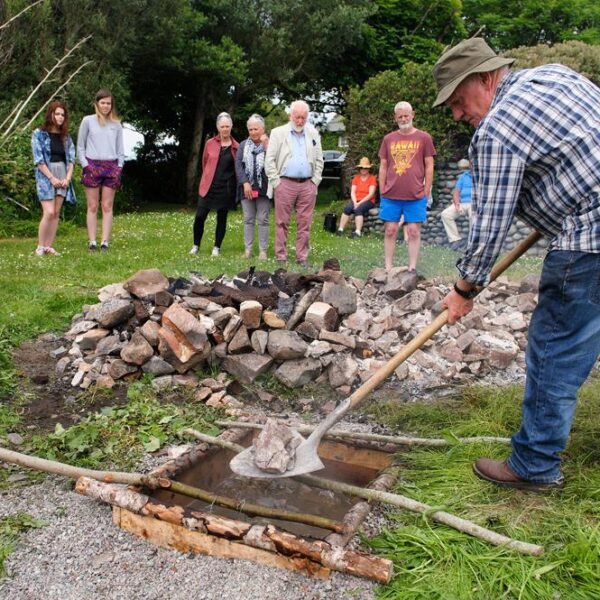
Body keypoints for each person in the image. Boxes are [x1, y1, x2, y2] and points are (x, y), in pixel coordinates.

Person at [433, 37, 600, 491]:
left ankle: (534, 465)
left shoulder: (496, 130)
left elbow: (489, 225)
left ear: (486, 78)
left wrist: (464, 289)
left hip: (589, 239)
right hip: (589, 223)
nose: (456, 113)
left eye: (458, 99)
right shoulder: (555, 74)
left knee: (554, 351)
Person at [264, 100, 324, 267]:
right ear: (290, 115)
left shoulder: (313, 133)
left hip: (307, 184)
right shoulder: (278, 133)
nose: (299, 121)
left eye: (303, 118)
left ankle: (302, 257)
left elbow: (320, 159)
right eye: (297, 117)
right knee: (282, 222)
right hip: (285, 183)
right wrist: (276, 182)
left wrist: (315, 181)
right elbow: (269, 160)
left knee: (304, 222)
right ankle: (281, 257)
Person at [378, 101, 435, 272]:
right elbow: (383, 165)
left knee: (413, 231)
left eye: (406, 115)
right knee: (390, 230)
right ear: (395, 118)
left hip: (416, 194)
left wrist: (427, 189)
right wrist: (382, 189)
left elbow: (429, 165)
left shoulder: (424, 138)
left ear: (413, 115)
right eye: (400, 116)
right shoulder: (388, 139)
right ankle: (388, 267)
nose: (403, 119)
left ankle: (412, 267)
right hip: (391, 194)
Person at [77, 89, 124, 251]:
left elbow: (120, 150)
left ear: (112, 105)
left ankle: (105, 242)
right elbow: (80, 146)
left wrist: (119, 167)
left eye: (108, 103)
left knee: (107, 205)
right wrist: (86, 166)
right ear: (97, 104)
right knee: (92, 206)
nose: (105, 106)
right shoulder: (87, 121)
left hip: (111, 166)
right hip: (92, 165)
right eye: (102, 102)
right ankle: (92, 242)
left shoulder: (117, 124)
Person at [190, 112, 239, 257]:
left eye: (227, 126)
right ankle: (196, 245)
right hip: (209, 186)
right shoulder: (210, 143)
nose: (225, 129)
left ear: (231, 127)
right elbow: (205, 163)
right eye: (222, 126)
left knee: (221, 218)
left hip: (226, 188)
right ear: (218, 127)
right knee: (200, 216)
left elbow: (237, 168)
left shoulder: (236, 146)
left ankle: (217, 247)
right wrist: (207, 177)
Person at [31, 101, 77, 256]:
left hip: (62, 173)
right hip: (46, 175)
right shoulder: (39, 134)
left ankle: (49, 246)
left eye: (63, 114)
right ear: (50, 114)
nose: (60, 117)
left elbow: (71, 160)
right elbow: (38, 161)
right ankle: (40, 246)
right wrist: (51, 178)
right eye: (57, 113)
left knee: (57, 212)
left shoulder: (66, 137)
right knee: (49, 212)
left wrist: (67, 178)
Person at [235, 114, 270, 259]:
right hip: (246, 188)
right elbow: (238, 165)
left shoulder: (270, 144)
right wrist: (245, 182)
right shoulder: (243, 145)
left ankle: (263, 250)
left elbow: (276, 162)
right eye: (250, 130)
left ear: (263, 129)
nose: (253, 132)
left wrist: (266, 143)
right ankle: (248, 250)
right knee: (248, 219)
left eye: (256, 129)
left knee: (263, 219)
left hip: (264, 188)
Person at [336, 157, 377, 237]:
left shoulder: (372, 179)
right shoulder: (356, 178)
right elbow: (353, 192)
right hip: (356, 200)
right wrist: (355, 202)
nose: (363, 169)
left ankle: (357, 232)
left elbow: (371, 194)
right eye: (361, 168)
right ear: (359, 169)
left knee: (359, 209)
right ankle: (340, 230)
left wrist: (359, 204)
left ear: (368, 169)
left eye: (365, 168)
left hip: (368, 201)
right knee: (347, 208)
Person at [440, 158, 472, 251]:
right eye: (471, 164)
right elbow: (456, 192)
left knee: (473, 216)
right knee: (445, 214)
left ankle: (472, 243)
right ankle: (455, 239)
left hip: (474, 204)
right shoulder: (464, 176)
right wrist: (457, 203)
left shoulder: (481, 177)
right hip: (461, 203)